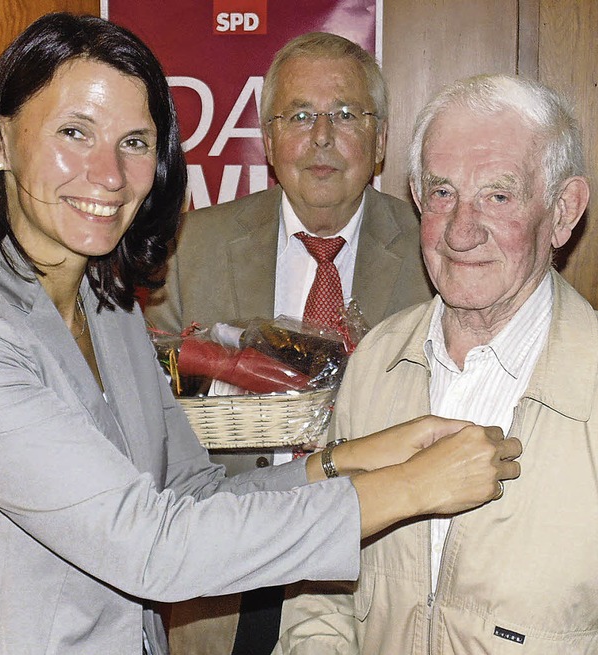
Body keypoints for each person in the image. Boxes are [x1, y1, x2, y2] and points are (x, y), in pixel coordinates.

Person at [0, 15, 522, 655]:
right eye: (75, 132)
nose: (108, 174)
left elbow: (191, 492)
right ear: (1, 141)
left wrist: (350, 459)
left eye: (134, 141)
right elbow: (150, 545)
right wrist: (410, 487)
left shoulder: (112, 310)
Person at [272, 73, 598, 654]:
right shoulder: (376, 360)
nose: (461, 230)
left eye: (498, 195)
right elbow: (322, 585)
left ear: (563, 211)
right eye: (442, 193)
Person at [144, 31, 434, 655]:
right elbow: (151, 417)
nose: (322, 137)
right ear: (269, 141)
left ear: (381, 140)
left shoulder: (435, 253)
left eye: (346, 115)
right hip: (227, 578)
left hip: (378, 570)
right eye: (300, 116)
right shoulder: (191, 247)